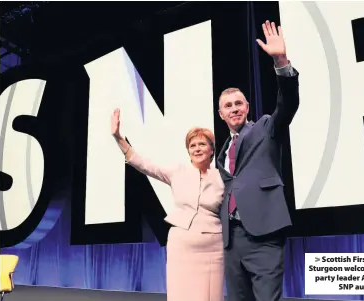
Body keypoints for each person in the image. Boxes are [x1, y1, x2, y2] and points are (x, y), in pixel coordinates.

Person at [216, 20, 300, 301]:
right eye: (228, 106)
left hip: (263, 235)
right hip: (232, 241)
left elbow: (287, 104)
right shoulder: (222, 152)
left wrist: (281, 62)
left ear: (247, 107)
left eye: (239, 103)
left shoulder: (266, 127)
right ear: (221, 114)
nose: (234, 109)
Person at [111, 108, 225, 301]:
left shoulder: (223, 177)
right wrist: (118, 137)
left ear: (212, 149)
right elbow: (144, 164)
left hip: (213, 248)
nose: (197, 148)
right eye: (192, 145)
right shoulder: (177, 172)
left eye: (202, 144)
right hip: (181, 246)